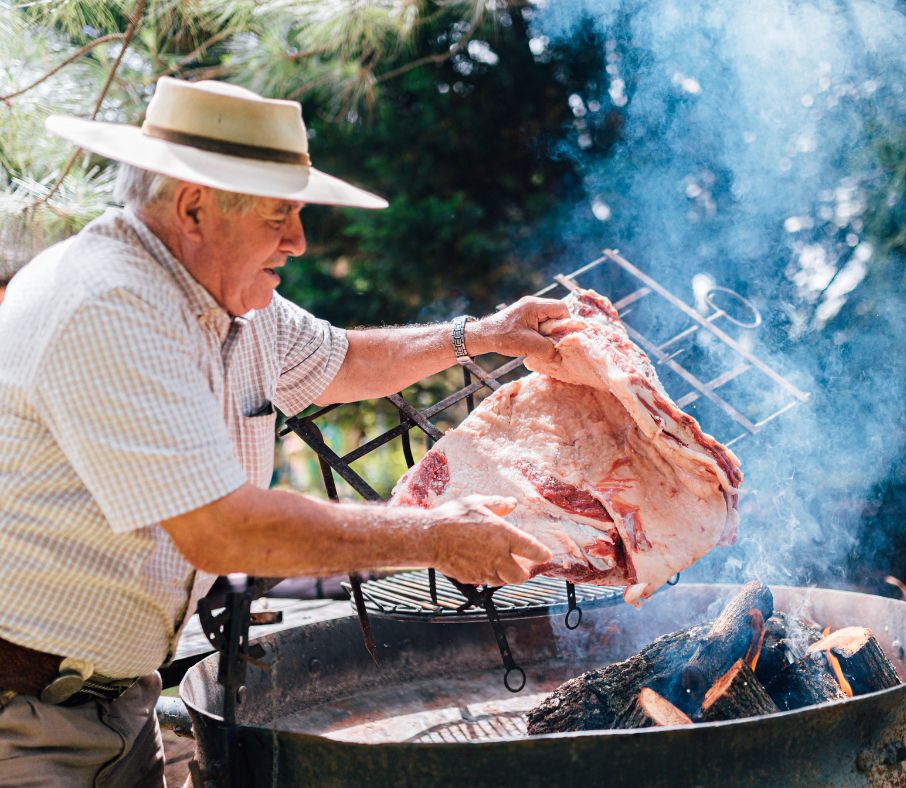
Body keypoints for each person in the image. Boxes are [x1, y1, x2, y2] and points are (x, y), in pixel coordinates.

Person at [0, 77, 565, 786]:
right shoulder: (106, 304)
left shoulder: (229, 302)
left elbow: (345, 360)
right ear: (194, 207)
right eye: (279, 217)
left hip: (111, 705)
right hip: (19, 719)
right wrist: (434, 537)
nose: (298, 242)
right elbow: (222, 530)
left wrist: (481, 334)